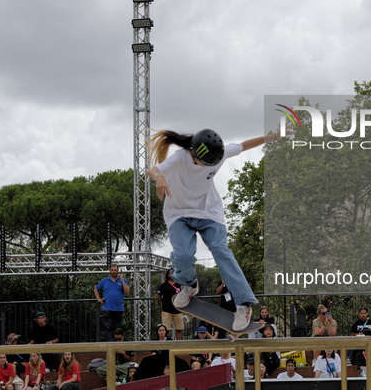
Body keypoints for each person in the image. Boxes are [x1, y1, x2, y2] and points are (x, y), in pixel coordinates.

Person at [147, 129, 288, 331]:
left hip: (209, 214)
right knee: (183, 255)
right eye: (206, 163)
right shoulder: (180, 158)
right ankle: (189, 285)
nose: (210, 167)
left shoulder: (219, 154)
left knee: (221, 251)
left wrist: (272, 137)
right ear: (194, 153)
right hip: (179, 214)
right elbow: (153, 169)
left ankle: (243, 304)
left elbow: (244, 145)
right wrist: (160, 177)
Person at [94, 264, 130, 341]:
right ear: (110, 271)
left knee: (117, 329)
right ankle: (108, 347)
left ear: (118, 271)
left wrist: (122, 280)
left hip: (118, 309)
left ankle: (117, 347)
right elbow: (96, 289)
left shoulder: (123, 280)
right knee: (107, 328)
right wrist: (98, 299)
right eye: (112, 270)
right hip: (107, 308)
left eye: (115, 270)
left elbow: (127, 291)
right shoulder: (104, 280)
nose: (114, 271)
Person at [157, 267, 184, 340]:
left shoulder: (180, 284)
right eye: (170, 273)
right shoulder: (163, 285)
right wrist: (165, 303)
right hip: (167, 311)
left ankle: (179, 348)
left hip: (178, 311)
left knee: (178, 330)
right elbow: (159, 296)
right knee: (166, 330)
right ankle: (167, 348)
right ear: (168, 275)